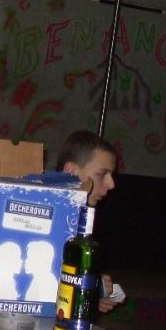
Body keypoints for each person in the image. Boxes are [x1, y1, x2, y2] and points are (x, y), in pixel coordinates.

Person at [55, 130, 123, 313]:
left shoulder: (80, 219)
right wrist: (90, 284)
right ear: (71, 171)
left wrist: (89, 296)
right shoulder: (47, 217)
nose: (111, 184)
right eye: (102, 174)